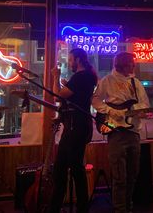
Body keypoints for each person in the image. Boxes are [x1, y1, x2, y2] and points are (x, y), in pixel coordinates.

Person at [92, 52, 149, 213]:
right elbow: (95, 100)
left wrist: (136, 110)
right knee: (119, 176)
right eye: (131, 63)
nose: (134, 65)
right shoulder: (107, 81)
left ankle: (128, 207)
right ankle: (120, 209)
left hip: (134, 132)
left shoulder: (135, 82)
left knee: (132, 174)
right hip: (115, 133)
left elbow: (144, 102)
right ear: (123, 64)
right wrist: (110, 110)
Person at [49, 48, 98, 213]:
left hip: (74, 127)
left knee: (66, 168)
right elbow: (77, 96)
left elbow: (57, 96)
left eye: (70, 60)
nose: (69, 63)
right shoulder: (88, 76)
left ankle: (58, 207)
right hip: (79, 125)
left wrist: (55, 77)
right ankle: (78, 207)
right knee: (71, 168)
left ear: (78, 60)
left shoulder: (80, 77)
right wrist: (66, 85)